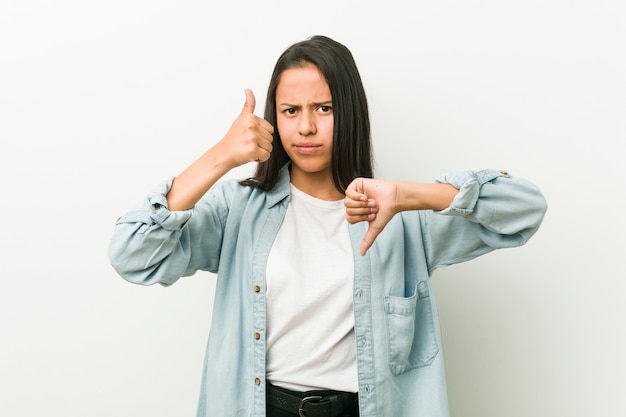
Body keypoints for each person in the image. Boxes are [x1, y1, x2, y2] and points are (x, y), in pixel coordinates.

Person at [108, 35, 547, 417]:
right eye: (290, 110)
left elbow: (524, 209)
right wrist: (221, 155)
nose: (307, 127)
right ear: (273, 119)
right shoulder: (238, 210)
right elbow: (131, 254)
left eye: (324, 107)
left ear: (350, 111)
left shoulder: (400, 217)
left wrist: (411, 195)